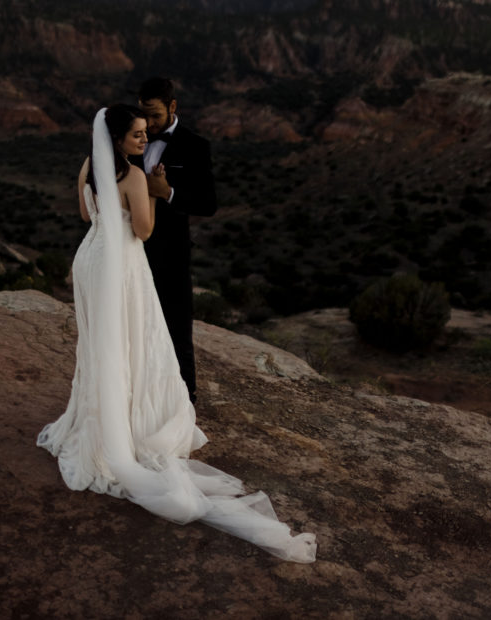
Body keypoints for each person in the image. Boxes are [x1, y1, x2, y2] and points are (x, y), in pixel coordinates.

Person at [36, 105, 316, 563]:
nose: (143, 141)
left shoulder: (89, 165)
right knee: (134, 339)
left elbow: (87, 214)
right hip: (122, 263)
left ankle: (101, 412)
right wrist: (147, 194)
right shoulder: (133, 178)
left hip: (91, 259)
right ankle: (130, 418)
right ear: (120, 139)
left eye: (146, 134)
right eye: (137, 135)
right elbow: (144, 230)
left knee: (102, 342)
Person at [136, 77, 217, 404]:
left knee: (177, 327)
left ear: (172, 107)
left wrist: (167, 192)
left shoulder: (196, 146)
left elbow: (208, 204)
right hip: (132, 248)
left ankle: (185, 399)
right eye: (144, 116)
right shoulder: (133, 137)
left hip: (171, 251)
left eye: (155, 115)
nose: (150, 124)